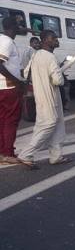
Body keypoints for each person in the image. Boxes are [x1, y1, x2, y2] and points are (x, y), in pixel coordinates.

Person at [17, 30, 75, 168]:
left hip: (40, 94)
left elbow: (26, 74)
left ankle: (56, 156)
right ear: (45, 40)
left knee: (55, 125)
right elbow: (57, 81)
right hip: (50, 95)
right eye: (53, 38)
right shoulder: (50, 57)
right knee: (49, 124)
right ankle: (26, 154)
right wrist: (62, 70)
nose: (56, 40)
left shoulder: (35, 55)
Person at [0, 17, 27, 165]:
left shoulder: (2, 39)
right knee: (10, 120)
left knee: (3, 120)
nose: (20, 28)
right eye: (18, 26)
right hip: (8, 87)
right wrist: (17, 82)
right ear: (14, 27)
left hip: (2, 88)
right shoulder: (7, 42)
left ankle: (3, 152)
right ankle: (8, 153)